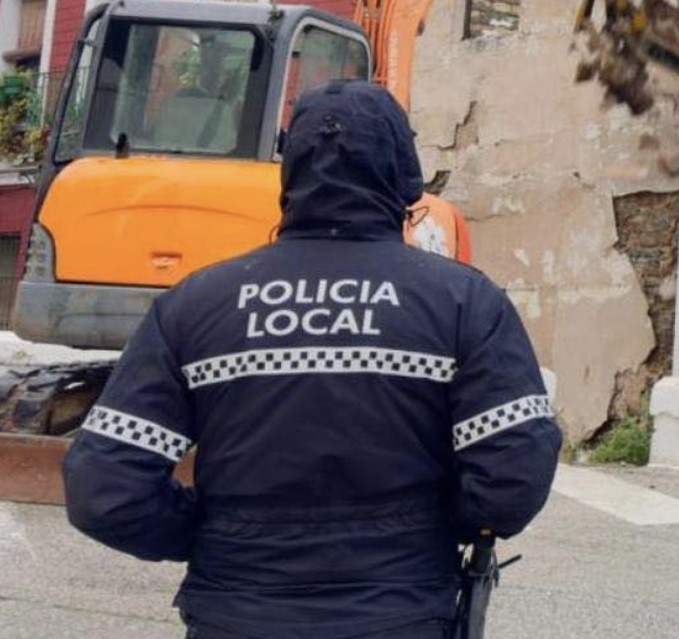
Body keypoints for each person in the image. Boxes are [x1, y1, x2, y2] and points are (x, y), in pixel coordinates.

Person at [64, 79, 561, 639]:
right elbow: (513, 474)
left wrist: (212, 534)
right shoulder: (465, 303)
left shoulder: (194, 306)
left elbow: (104, 488)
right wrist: (429, 532)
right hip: (400, 613)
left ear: (290, 170)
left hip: (236, 614)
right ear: (403, 172)